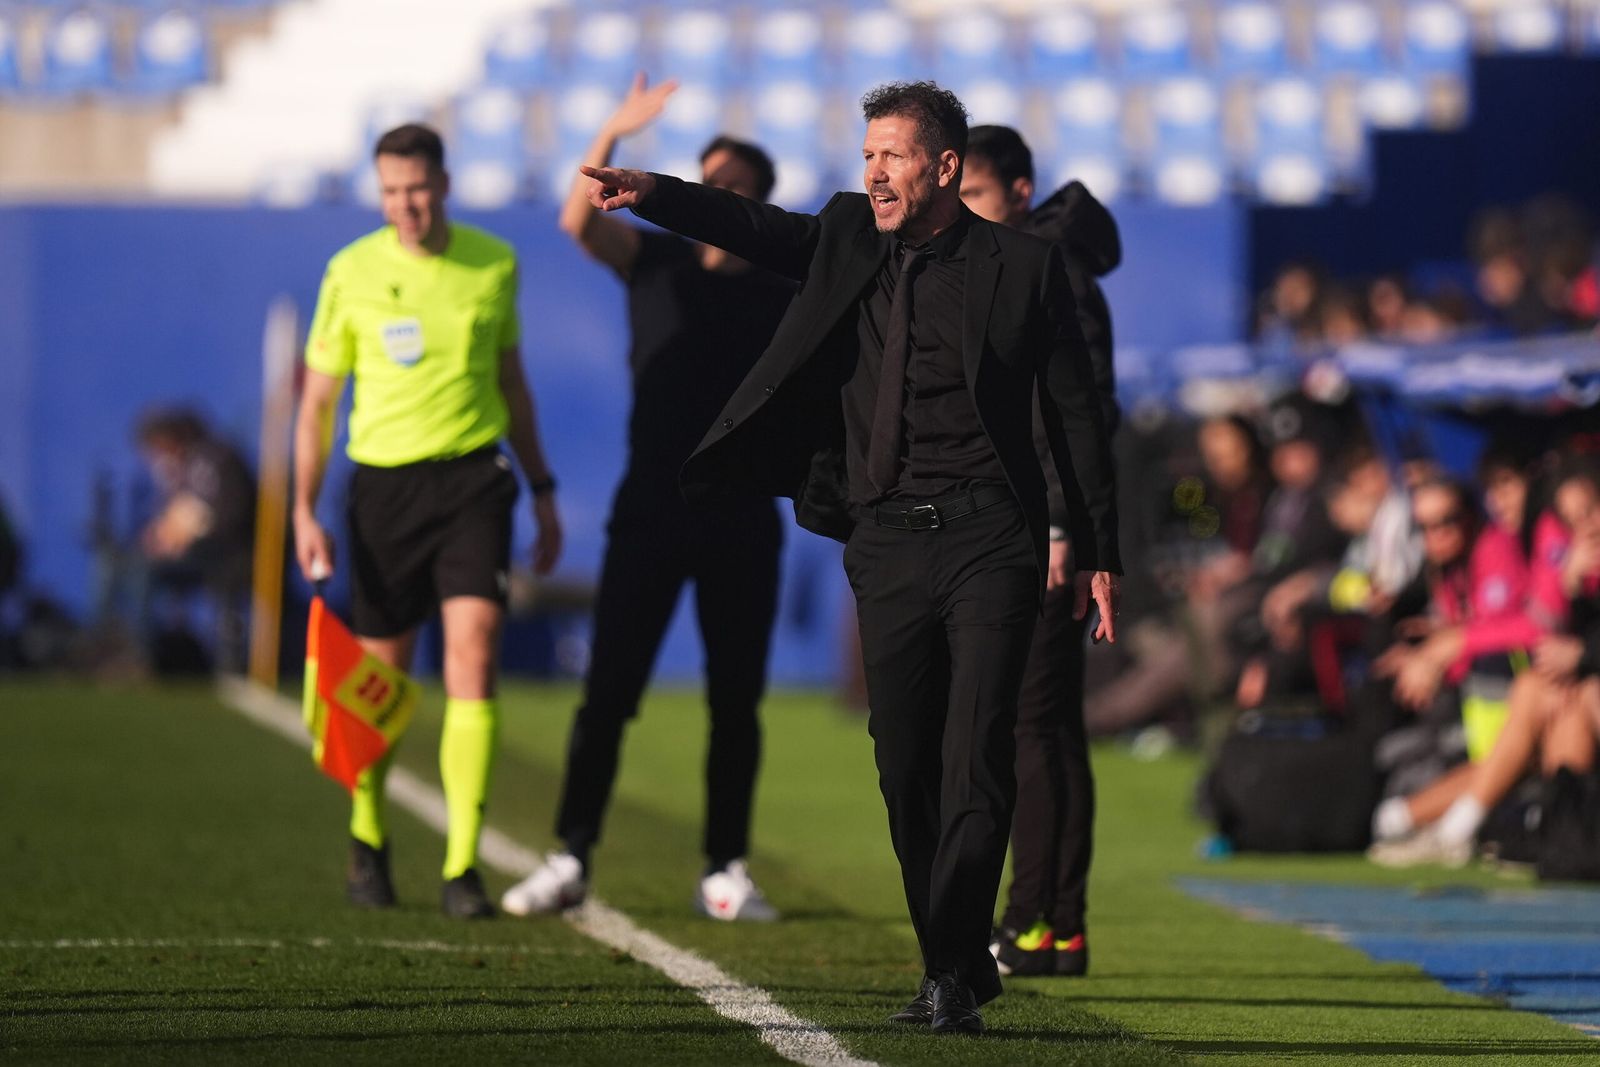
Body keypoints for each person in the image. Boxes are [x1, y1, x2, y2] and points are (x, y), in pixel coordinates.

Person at [579, 80, 1120, 1035]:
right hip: (885, 536)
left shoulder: (1025, 268)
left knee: (977, 755)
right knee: (903, 762)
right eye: (867, 155)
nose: (873, 171)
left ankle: (949, 975)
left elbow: (1077, 413)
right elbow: (751, 224)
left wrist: (1098, 550)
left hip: (992, 535)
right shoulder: (846, 236)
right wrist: (656, 191)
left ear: (943, 167)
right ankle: (953, 955)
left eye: (892, 155)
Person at [499, 76, 793, 922]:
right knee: (608, 693)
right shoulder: (655, 260)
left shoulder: (786, 286)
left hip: (744, 512)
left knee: (735, 703)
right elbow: (578, 221)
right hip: (651, 508)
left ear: (759, 203)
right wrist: (612, 131)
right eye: (709, 180)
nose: (716, 194)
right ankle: (570, 855)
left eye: (733, 186)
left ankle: (724, 868)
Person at [292, 124, 563, 919]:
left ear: (443, 184)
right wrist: (305, 510)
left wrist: (542, 487)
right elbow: (316, 404)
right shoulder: (349, 271)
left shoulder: (493, 263)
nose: (404, 205)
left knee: (473, 652)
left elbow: (512, 382)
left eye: (416, 188)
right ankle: (368, 833)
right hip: (383, 491)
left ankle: (461, 866)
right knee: (381, 676)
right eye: (390, 192)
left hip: (474, 482)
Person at [958, 123, 1120, 978]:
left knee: (1032, 724)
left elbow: (1079, 409)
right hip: (1029, 524)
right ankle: (1058, 926)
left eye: (976, 196)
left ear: (1019, 192)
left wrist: (1060, 525)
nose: (964, 212)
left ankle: (1031, 922)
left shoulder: (1051, 272)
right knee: (1049, 726)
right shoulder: (1022, 264)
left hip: (1044, 533)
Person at [127, 408, 258, 673]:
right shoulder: (179, 469)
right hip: (202, 551)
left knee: (145, 571)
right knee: (129, 564)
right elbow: (175, 517)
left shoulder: (214, 460)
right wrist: (164, 535)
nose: (156, 457)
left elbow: (226, 515)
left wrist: (186, 536)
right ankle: (130, 648)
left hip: (229, 554)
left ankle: (143, 656)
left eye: (159, 446)